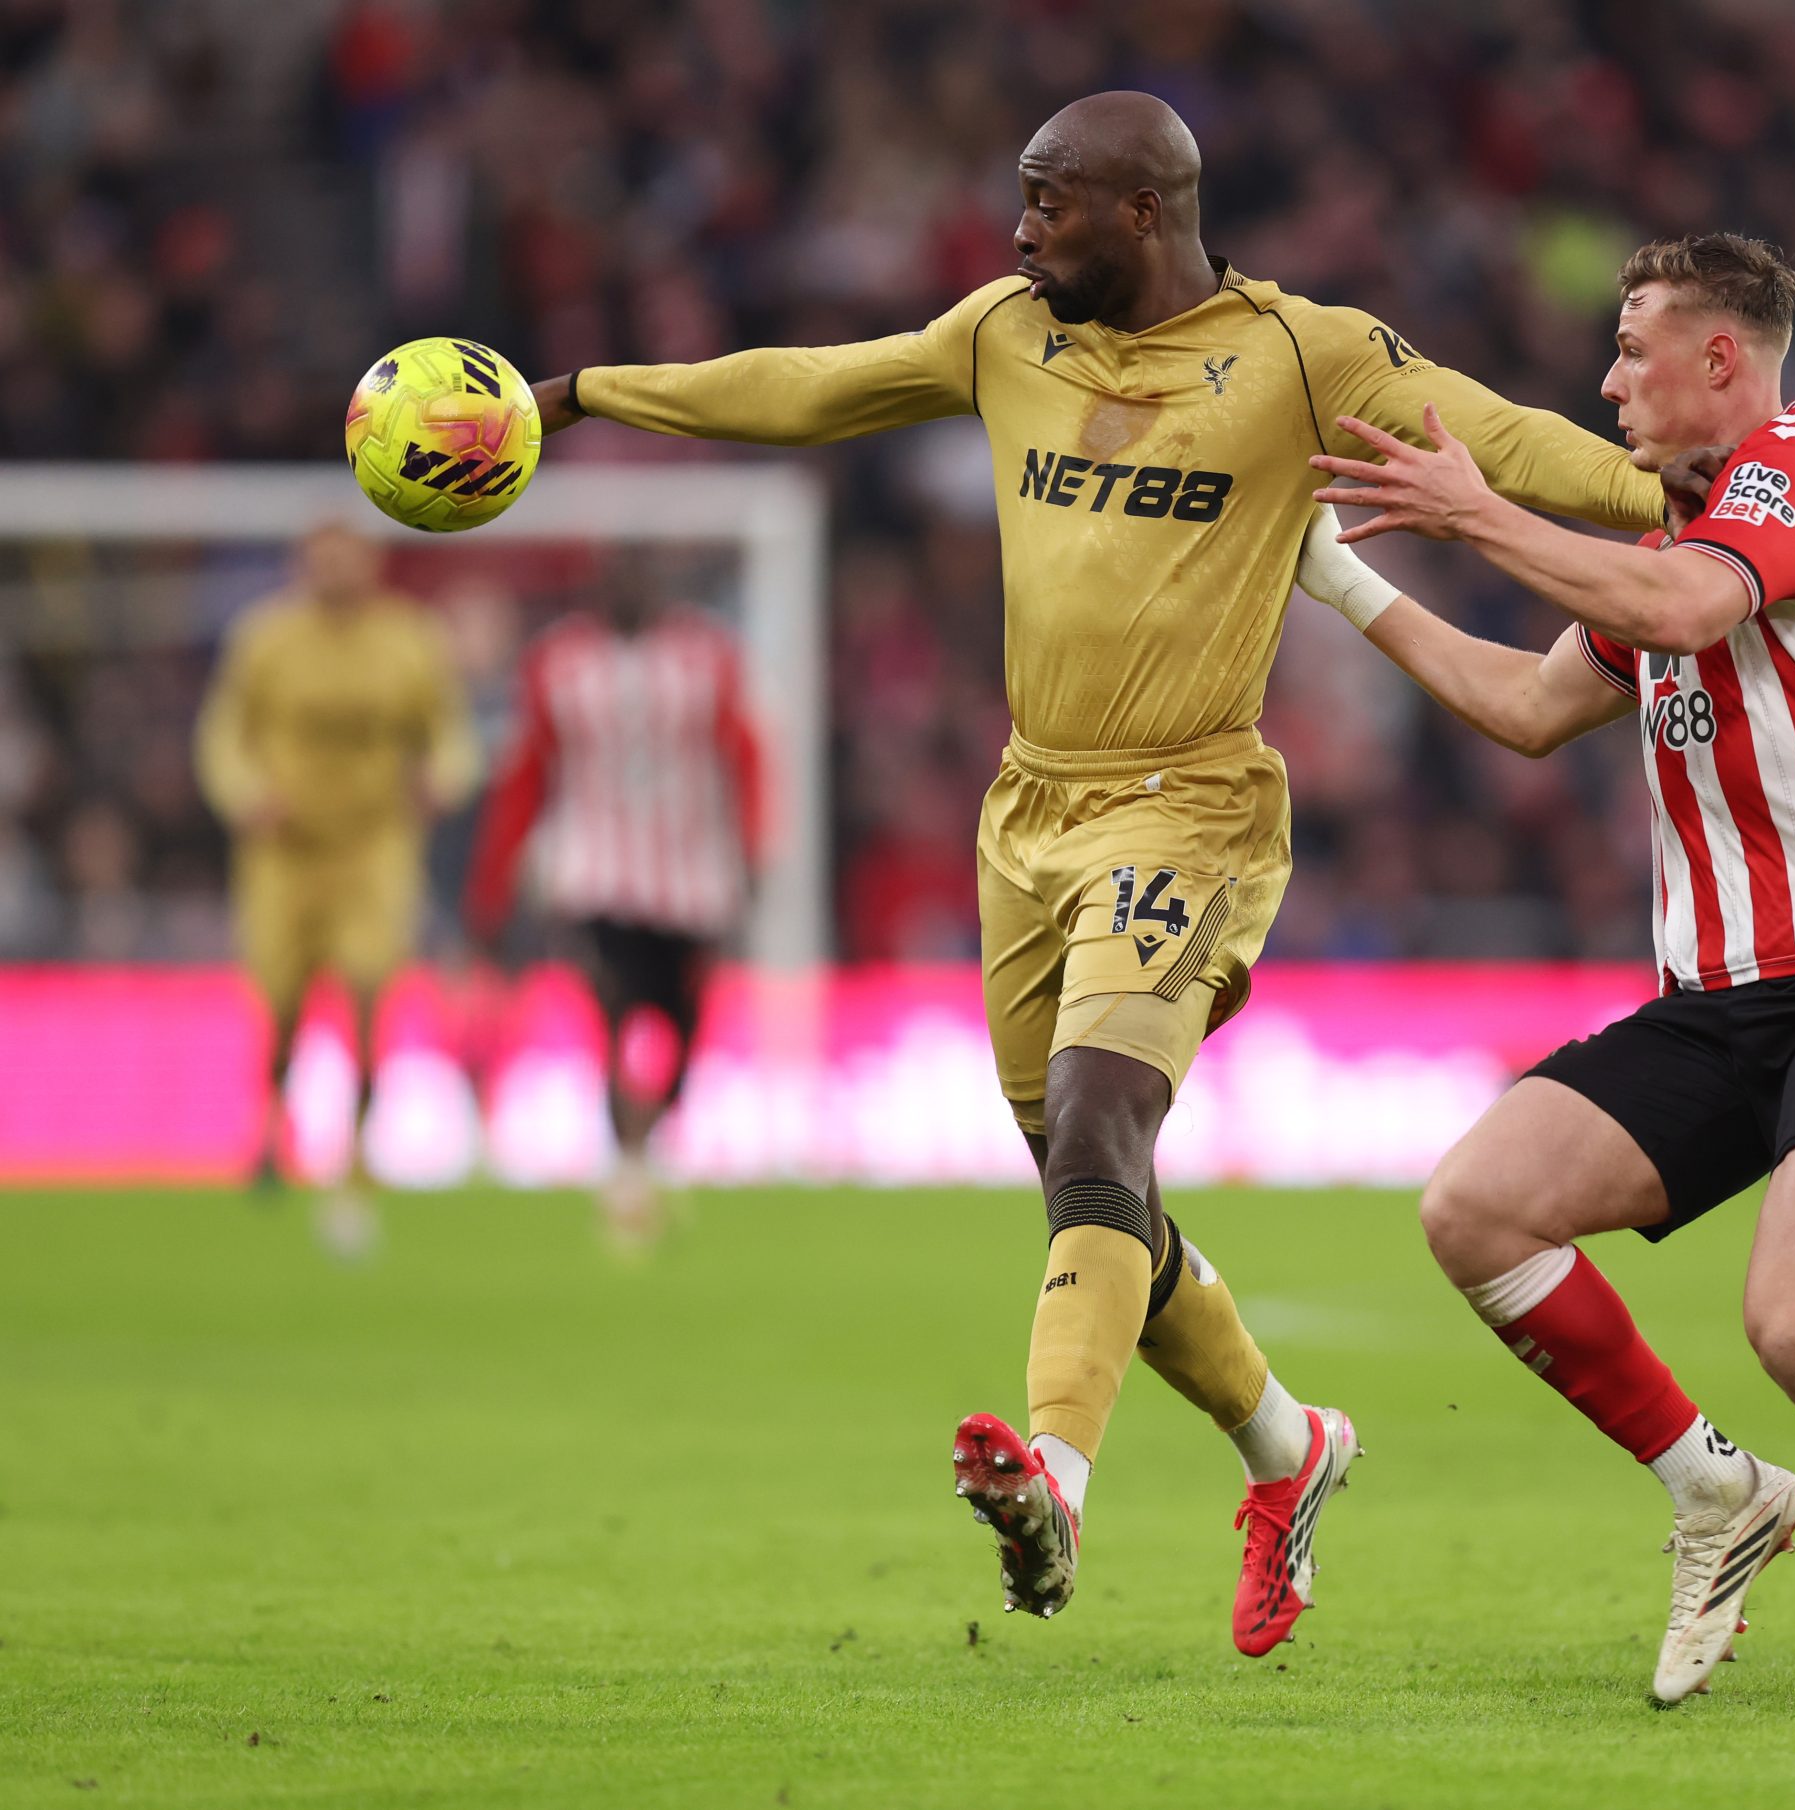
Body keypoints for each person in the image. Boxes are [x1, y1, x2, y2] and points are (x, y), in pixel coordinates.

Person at [525, 91, 1671, 1650]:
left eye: (1046, 202)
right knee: (1097, 1188)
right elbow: (810, 387)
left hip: (1188, 802)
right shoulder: (1007, 331)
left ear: (1141, 211)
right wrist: (586, 392)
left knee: (1096, 1122)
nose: (1017, 231)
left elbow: (1509, 439)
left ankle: (1054, 1476)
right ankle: (1291, 1446)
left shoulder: (1301, 353)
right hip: (1028, 810)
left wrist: (1691, 494)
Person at [1296, 232, 1795, 1713]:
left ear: (1719, 359)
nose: (1608, 381)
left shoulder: (1792, 478)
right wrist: (1340, 584)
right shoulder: (1673, 547)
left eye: (1631, 347)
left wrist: (1476, 513)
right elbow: (1531, 705)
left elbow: (1682, 614)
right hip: (1722, 1003)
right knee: (1474, 1208)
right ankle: (1715, 1490)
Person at [463, 556, 769, 1250]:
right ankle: (627, 1170)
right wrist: (494, 883)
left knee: (682, 1030)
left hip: (690, 881)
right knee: (614, 1013)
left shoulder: (707, 657)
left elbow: (744, 754)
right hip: (592, 876)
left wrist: (751, 851)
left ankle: (644, 1148)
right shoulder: (559, 663)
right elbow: (527, 773)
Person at [195, 524, 480, 1256]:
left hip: (374, 844)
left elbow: (450, 733)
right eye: (323, 560)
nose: (336, 572)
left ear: (371, 566)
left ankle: (353, 1159)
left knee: (366, 993)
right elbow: (224, 735)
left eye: (347, 559)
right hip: (284, 852)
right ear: (303, 566)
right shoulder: (266, 640)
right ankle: (270, 1125)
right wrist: (246, 794)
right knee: (283, 1005)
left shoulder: (409, 640)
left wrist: (441, 779)